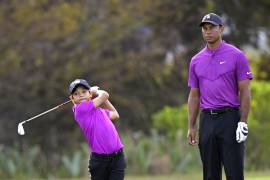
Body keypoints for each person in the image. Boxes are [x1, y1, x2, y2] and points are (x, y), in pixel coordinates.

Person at [187, 13, 253, 180]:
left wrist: (243, 122)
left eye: (211, 28)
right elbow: (194, 96)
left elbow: (245, 91)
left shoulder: (236, 55)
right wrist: (192, 126)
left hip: (230, 119)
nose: (207, 32)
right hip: (207, 121)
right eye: (205, 29)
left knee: (234, 173)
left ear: (221, 29)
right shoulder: (196, 60)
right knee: (210, 175)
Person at [69, 79, 126, 180]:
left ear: (89, 94)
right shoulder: (80, 110)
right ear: (72, 98)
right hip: (100, 161)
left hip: (118, 157)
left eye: (84, 91)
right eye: (76, 93)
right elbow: (104, 95)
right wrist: (96, 91)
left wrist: (96, 96)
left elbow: (115, 114)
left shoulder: (99, 111)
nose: (81, 95)